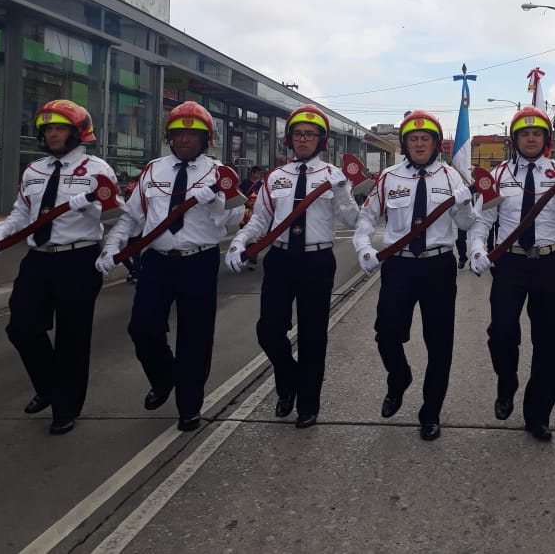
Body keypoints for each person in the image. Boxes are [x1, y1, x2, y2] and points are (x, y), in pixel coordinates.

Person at [97, 101, 243, 432]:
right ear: (169, 137)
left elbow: (233, 218)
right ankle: (164, 377)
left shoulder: (221, 174)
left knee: (195, 337)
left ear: (206, 139)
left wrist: (217, 200)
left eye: (192, 134)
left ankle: (189, 406)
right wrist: (112, 245)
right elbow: (132, 216)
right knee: (142, 326)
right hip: (157, 261)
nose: (184, 140)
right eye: (178, 133)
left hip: (199, 261)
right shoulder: (152, 170)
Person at [225, 106, 358, 429]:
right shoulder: (276, 177)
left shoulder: (331, 177)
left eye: (310, 134)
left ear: (321, 140)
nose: (303, 139)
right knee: (268, 331)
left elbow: (354, 220)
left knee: (313, 337)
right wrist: (240, 241)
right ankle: (288, 380)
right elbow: (260, 220)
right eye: (298, 133)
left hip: (316, 260)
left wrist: (343, 192)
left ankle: (308, 404)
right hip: (281, 259)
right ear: (290, 138)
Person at [468, 105, 555, 441]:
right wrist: (477, 250)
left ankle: (538, 415)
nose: (530, 138)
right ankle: (506, 381)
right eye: (524, 134)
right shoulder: (497, 176)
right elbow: (482, 221)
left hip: (548, 264)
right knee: (502, 333)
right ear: (515, 139)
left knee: (548, 342)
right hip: (509, 263)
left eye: (536, 133)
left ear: (546, 139)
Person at [0, 100, 119, 435]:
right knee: (20, 327)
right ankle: (49, 386)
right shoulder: (34, 171)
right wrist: (0, 233)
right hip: (38, 259)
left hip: (77, 259)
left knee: (72, 339)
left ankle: (65, 408)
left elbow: (115, 217)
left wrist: (98, 215)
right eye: (47, 128)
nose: (51, 134)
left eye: (59, 128)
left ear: (77, 132)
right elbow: (22, 212)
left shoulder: (97, 169)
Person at [354, 110, 474, 441]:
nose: (419, 144)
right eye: (413, 139)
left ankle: (430, 413)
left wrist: (465, 205)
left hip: (437, 265)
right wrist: (365, 249)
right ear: (405, 144)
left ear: (436, 144)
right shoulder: (389, 178)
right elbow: (366, 220)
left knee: (439, 344)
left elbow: (466, 225)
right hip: (400, 265)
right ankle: (399, 377)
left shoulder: (452, 178)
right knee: (386, 335)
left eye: (426, 139)